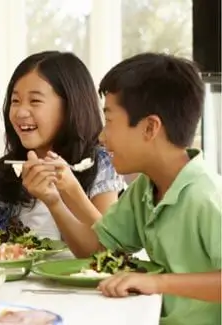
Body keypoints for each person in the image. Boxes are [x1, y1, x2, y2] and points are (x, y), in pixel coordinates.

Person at [37, 53, 220, 324]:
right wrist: (54, 201)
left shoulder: (205, 195)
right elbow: (98, 250)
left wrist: (158, 283)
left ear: (149, 128)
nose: (101, 136)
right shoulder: (145, 188)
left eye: (109, 121)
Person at [0, 51, 125, 255]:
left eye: (35, 101)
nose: (20, 112)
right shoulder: (0, 172)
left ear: (70, 105)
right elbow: (2, 252)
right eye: (15, 101)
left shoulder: (98, 163)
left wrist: (56, 199)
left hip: (80, 284)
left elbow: (105, 248)